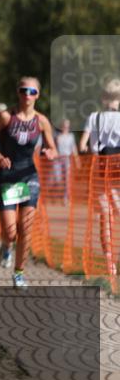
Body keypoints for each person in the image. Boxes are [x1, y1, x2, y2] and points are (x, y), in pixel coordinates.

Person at [0, 77, 57, 288]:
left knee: (25, 226)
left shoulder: (42, 121)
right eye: (24, 90)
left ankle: (19, 273)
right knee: (11, 232)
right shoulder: (5, 117)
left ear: (38, 95)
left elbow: (52, 146)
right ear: (18, 92)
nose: (27, 95)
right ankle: (6, 246)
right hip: (7, 177)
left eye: (32, 91)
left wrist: (49, 152)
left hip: (29, 177)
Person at [78, 78, 120, 276]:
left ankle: (110, 263)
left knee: (105, 216)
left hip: (100, 169)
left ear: (103, 98)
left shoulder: (94, 117)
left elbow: (83, 146)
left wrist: (88, 150)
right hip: (118, 170)